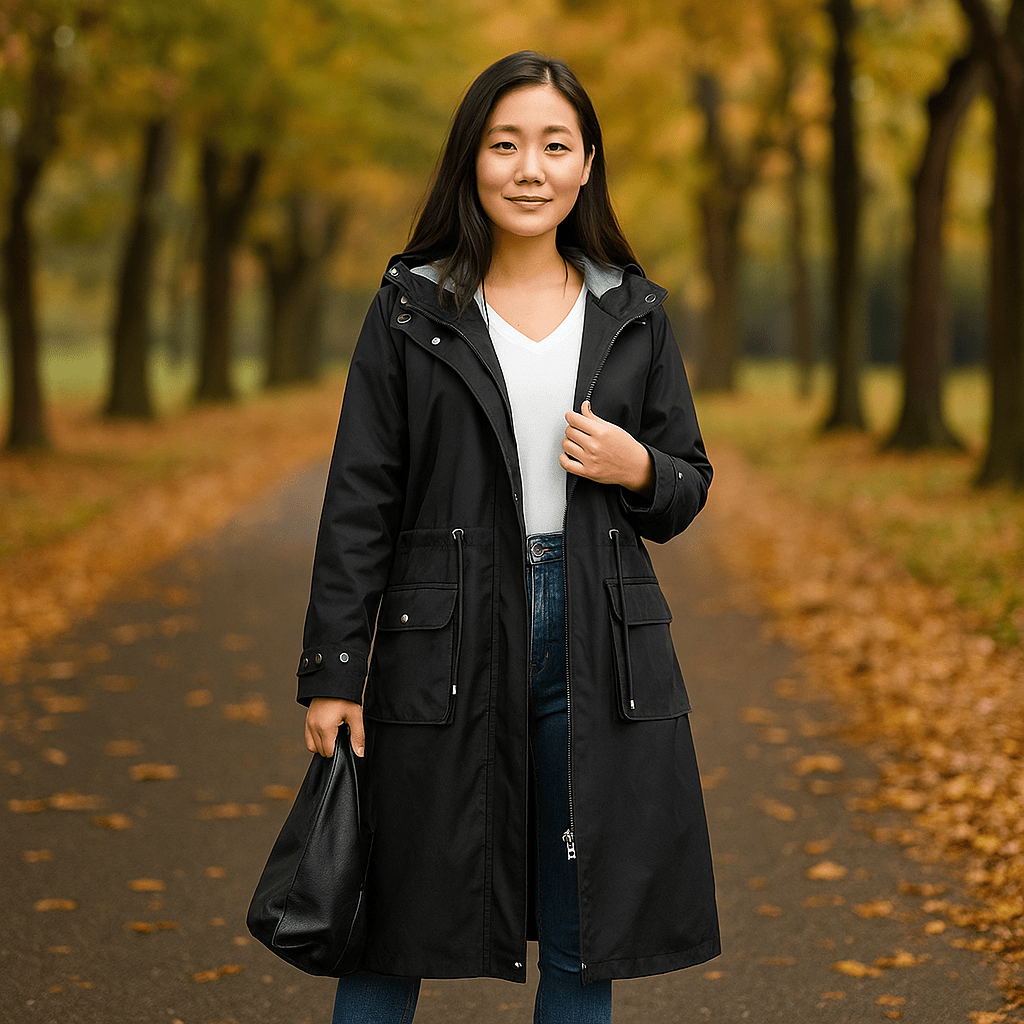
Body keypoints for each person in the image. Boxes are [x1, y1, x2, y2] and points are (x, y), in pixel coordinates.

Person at [298, 50, 720, 1024]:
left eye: (553, 145)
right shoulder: (411, 302)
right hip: (434, 636)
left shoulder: (634, 309)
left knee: (585, 928)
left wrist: (639, 467)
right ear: (470, 161)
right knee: (387, 909)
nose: (528, 168)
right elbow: (361, 493)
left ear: (585, 165)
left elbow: (686, 482)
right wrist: (332, 670)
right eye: (505, 144)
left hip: (597, 640)